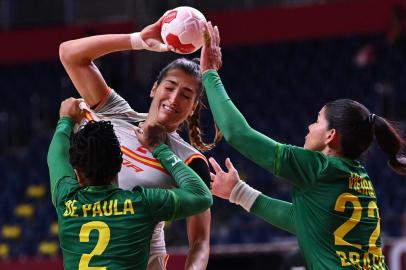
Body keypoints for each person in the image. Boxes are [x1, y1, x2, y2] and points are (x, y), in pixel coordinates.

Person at [200, 22, 406, 269]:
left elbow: (237, 133)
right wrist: (238, 192)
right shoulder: (359, 178)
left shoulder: (318, 167)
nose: (309, 126)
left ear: (331, 136)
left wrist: (209, 73)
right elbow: (302, 222)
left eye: (317, 120)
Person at [59, 15, 221, 270]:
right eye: (169, 87)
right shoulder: (116, 112)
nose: (175, 98)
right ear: (154, 89)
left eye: (187, 95)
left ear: (193, 108)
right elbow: (69, 53)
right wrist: (138, 40)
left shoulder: (190, 160)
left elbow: (199, 241)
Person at [47, 98, 212, 270]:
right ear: (120, 165)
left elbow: (56, 155)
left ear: (78, 174)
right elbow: (201, 196)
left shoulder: (66, 199)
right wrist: (159, 148)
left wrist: (65, 121)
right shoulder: (142, 204)